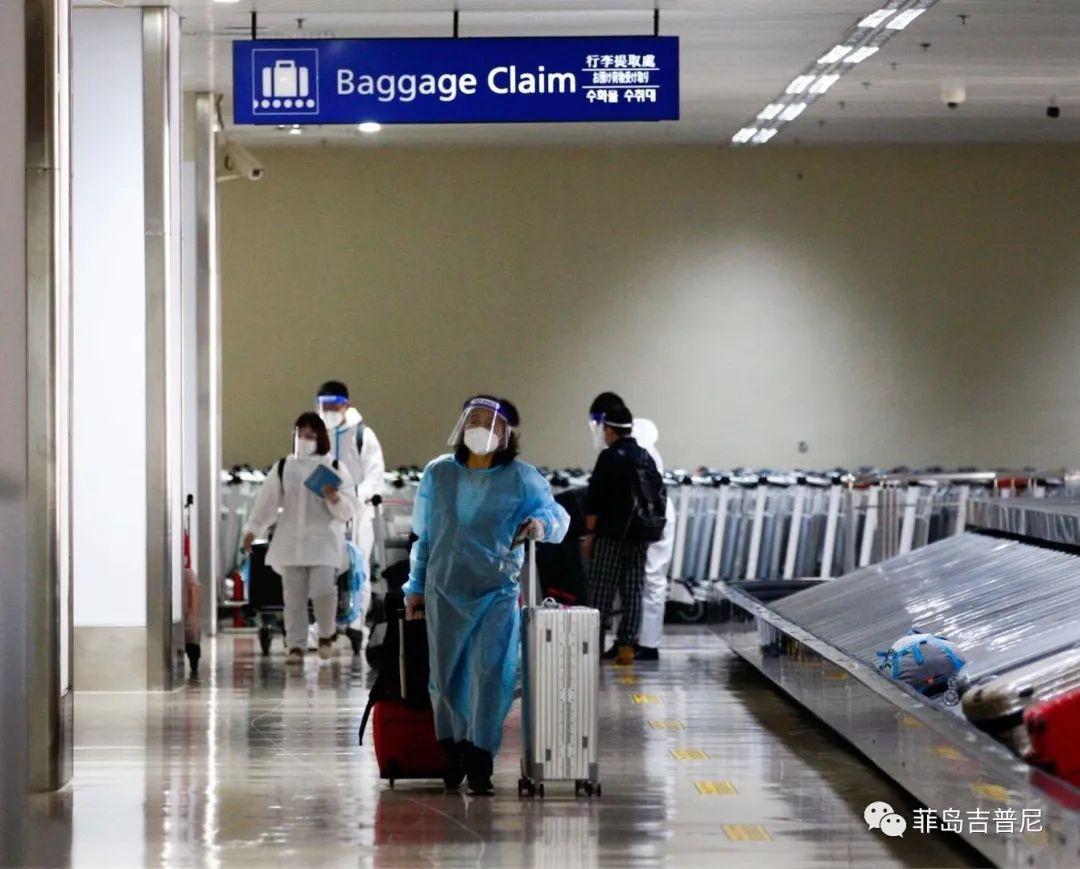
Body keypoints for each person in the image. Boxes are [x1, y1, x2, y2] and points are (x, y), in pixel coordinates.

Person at [402, 395, 569, 795]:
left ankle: (480, 756)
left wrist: (539, 525)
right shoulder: (438, 475)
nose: (482, 429)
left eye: (491, 423)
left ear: (506, 434)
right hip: (444, 589)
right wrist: (415, 587)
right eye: (474, 420)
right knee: (445, 676)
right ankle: (452, 747)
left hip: (496, 591)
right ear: (461, 426)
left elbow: (557, 517)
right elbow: (425, 537)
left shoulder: (521, 478)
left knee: (491, 674)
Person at [243, 413, 358, 665]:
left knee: (323, 591)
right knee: (293, 597)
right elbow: (267, 503)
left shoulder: (334, 466)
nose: (304, 440)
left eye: (310, 435)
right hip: (291, 542)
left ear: (320, 438)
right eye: (300, 434)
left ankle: (326, 633)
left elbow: (349, 510)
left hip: (323, 542)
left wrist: (334, 498)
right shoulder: (284, 467)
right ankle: (295, 646)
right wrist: (253, 530)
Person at [588, 392, 677, 661]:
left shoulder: (611, 455)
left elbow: (595, 497)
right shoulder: (643, 451)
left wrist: (591, 533)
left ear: (607, 426)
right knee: (635, 588)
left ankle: (603, 643)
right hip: (644, 529)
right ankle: (630, 644)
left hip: (615, 531)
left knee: (604, 589)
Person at [315, 381, 386, 651]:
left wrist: (354, 495)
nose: (330, 410)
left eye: (334, 405)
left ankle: (356, 626)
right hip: (324, 512)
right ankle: (322, 628)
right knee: (321, 570)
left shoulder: (363, 435)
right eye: (324, 406)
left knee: (358, 569)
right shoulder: (314, 435)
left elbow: (375, 475)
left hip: (358, 514)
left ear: (346, 405)